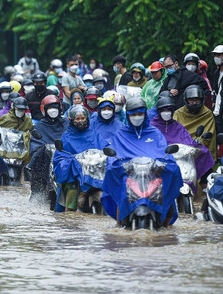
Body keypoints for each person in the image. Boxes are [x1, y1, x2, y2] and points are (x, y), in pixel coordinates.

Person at [101, 97, 182, 226]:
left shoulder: (154, 132)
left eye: (140, 114)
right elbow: (113, 157)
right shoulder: (121, 133)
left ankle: (166, 224)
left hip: (153, 174)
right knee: (120, 188)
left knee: (168, 181)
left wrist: (167, 164)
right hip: (129, 175)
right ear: (127, 115)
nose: (137, 117)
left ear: (145, 114)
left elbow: (164, 154)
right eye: (133, 114)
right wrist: (115, 165)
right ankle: (118, 224)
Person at [150, 95, 214, 194]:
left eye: (169, 110)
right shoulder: (153, 126)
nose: (166, 113)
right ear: (159, 111)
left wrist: (196, 145)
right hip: (160, 158)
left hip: (179, 157)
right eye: (164, 110)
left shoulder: (177, 125)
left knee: (205, 154)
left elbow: (187, 140)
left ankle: (207, 194)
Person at [53, 105, 99, 212]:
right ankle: (69, 213)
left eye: (82, 118)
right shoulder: (67, 136)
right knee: (72, 188)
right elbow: (60, 157)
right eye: (77, 119)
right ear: (72, 120)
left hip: (92, 173)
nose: (80, 121)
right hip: (74, 176)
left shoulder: (94, 134)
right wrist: (71, 161)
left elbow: (103, 148)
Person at [29, 95, 68, 203]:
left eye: (55, 107)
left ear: (60, 109)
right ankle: (38, 193)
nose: (53, 110)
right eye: (50, 108)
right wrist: (42, 150)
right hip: (46, 160)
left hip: (65, 158)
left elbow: (71, 139)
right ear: (44, 110)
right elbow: (35, 145)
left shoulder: (67, 124)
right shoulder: (39, 126)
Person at [173, 84, 217, 161]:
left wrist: (198, 144)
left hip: (201, 149)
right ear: (186, 100)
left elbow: (209, 136)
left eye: (197, 100)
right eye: (191, 100)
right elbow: (175, 133)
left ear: (202, 100)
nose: (194, 102)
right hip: (182, 149)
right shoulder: (178, 114)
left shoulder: (207, 113)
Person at [211, 45, 223, 133]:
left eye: (219, 55)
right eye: (215, 55)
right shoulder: (216, 73)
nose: (216, 58)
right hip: (217, 111)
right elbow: (215, 89)